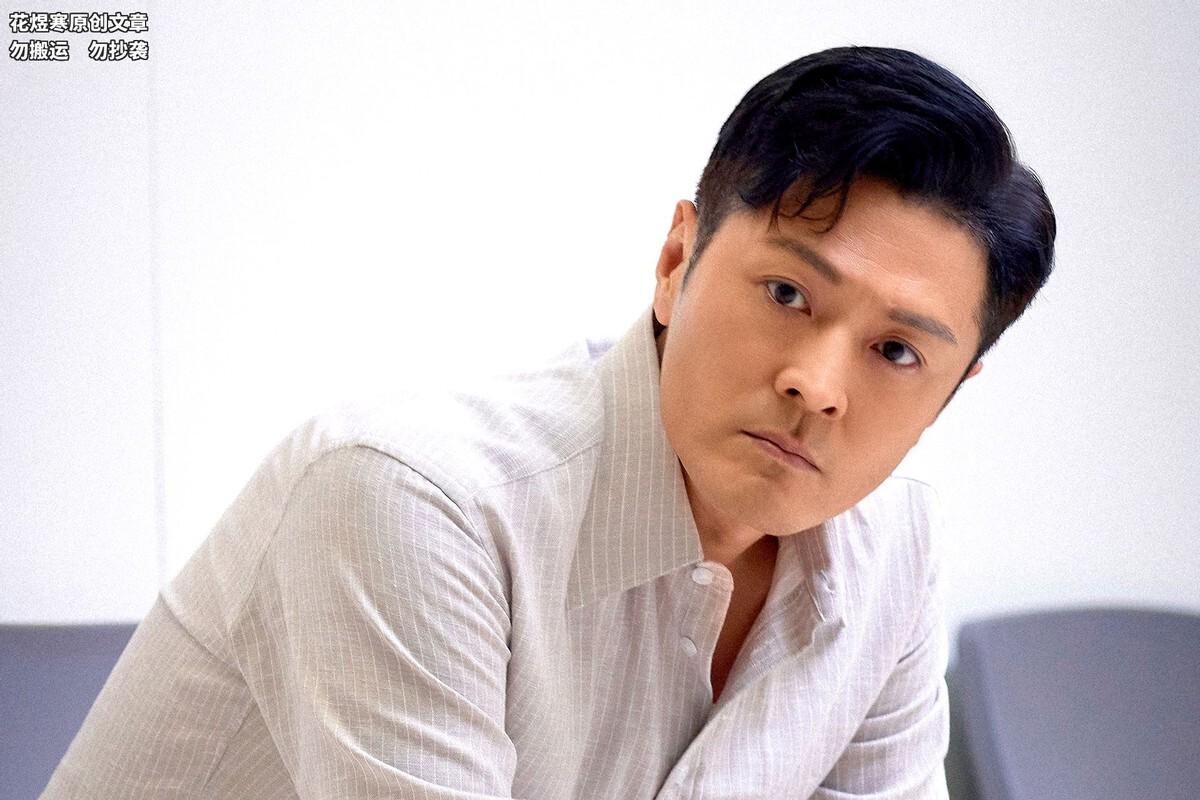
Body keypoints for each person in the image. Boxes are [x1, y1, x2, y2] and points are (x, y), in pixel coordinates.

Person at [42, 45, 1055, 799]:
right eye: (788, 292)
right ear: (677, 262)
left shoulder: (892, 552)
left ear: (950, 391)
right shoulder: (413, 499)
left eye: (897, 352)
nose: (817, 384)